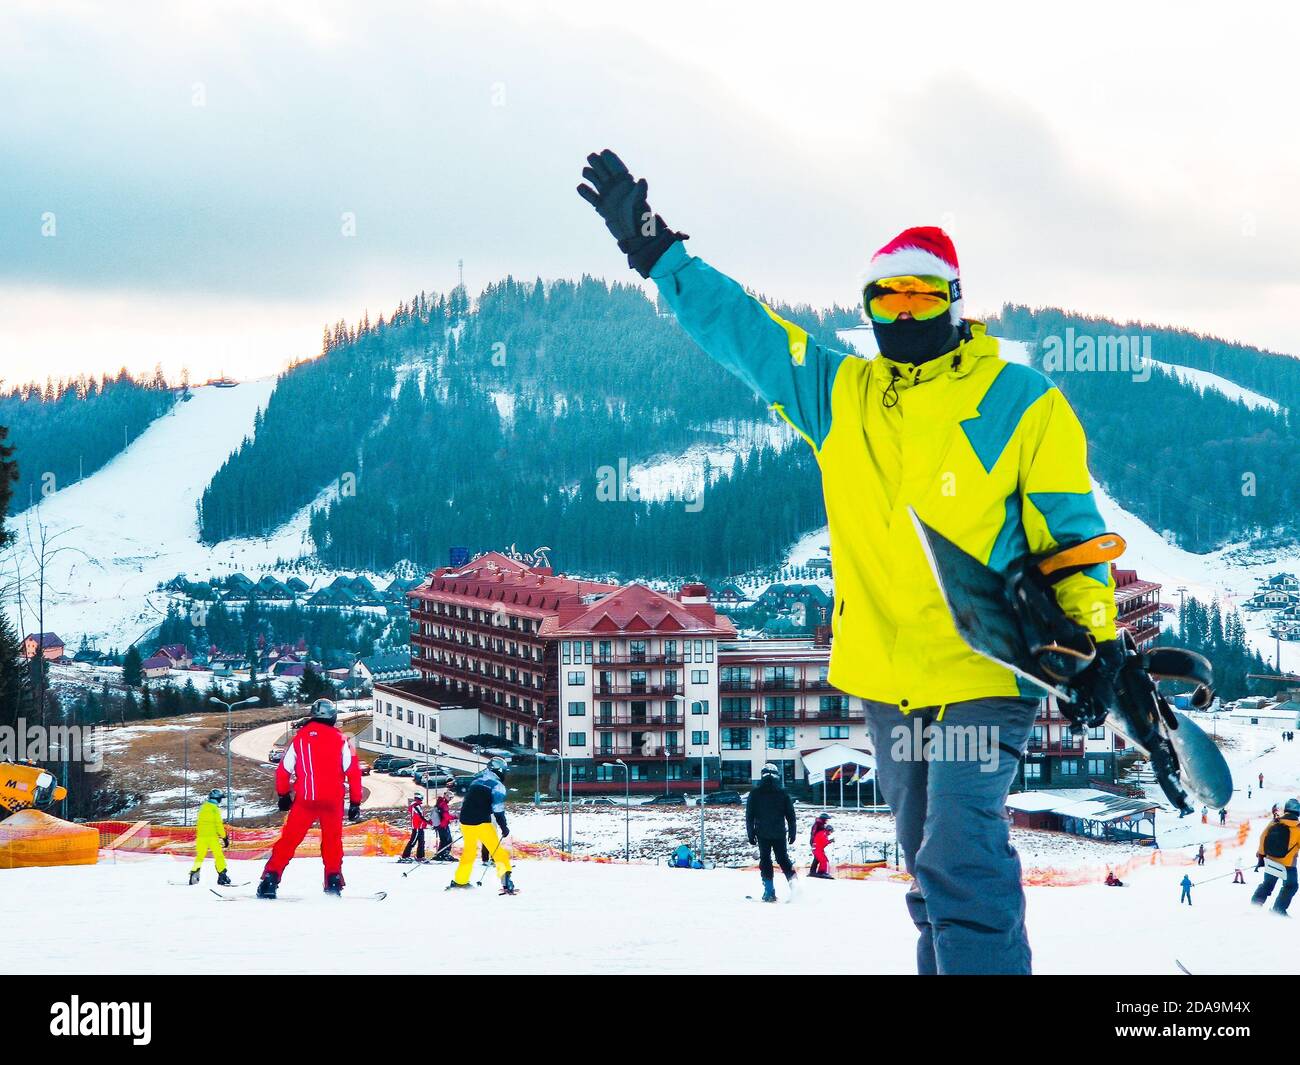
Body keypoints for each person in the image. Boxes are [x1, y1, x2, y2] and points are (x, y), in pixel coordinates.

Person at [577, 150, 1120, 976]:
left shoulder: (1022, 400)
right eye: (887, 296)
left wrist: (1092, 641)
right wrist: (657, 250)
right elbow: (746, 333)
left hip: (986, 666)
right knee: (928, 866)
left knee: (963, 854)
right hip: (886, 678)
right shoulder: (842, 394)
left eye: (922, 295)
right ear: (868, 306)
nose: (904, 311)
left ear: (954, 304)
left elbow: (1073, 538)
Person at [257, 699, 363, 899]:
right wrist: (355, 802)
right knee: (332, 841)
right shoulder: (343, 740)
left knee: (289, 840)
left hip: (305, 800)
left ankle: (270, 879)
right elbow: (354, 772)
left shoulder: (299, 739)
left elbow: (283, 771)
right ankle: (333, 881)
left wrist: (283, 795)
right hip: (333, 802)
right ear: (332, 717)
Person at [449, 757, 515, 894]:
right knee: (497, 851)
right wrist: (504, 827)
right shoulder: (497, 786)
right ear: (499, 771)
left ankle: (460, 880)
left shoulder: (476, 781)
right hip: (481, 822)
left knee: (469, 851)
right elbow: (498, 809)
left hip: (465, 821)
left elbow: (472, 801)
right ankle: (506, 882)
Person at [745, 762, 797, 902]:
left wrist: (751, 833)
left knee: (765, 860)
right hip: (779, 832)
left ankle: (769, 892)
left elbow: (749, 816)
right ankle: (796, 887)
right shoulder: (783, 792)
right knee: (783, 859)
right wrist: (793, 832)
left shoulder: (755, 793)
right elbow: (790, 816)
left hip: (762, 832)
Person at [1252, 797, 1300, 916]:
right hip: (1288, 865)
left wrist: (1261, 856)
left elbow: (1263, 837)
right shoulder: (1298, 828)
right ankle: (1278, 909)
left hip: (1271, 861)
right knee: (1291, 886)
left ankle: (1255, 905)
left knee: (1267, 884)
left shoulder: (1275, 821)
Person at [190, 788, 232, 886]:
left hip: (200, 837)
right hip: (212, 837)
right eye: (220, 798)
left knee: (199, 857)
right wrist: (224, 837)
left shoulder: (203, 807)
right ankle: (222, 875)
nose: (221, 800)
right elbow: (218, 825)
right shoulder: (215, 809)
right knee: (218, 856)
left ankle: (193, 873)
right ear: (216, 798)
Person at [400, 792, 430, 863]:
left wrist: (426, 822)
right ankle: (405, 856)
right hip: (416, 827)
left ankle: (420, 856)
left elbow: (421, 817)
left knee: (421, 842)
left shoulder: (418, 806)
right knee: (413, 842)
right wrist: (427, 822)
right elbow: (420, 817)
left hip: (420, 827)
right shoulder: (415, 806)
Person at [433, 789, 455, 861]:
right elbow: (446, 816)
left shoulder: (440, 803)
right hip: (443, 825)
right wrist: (455, 817)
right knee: (448, 840)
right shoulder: (444, 804)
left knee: (443, 840)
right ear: (447, 796)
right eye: (450, 797)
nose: (451, 799)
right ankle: (445, 854)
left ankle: (440, 854)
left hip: (440, 825)